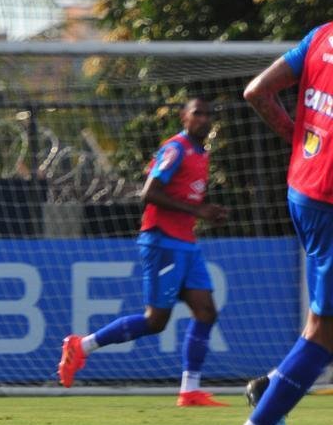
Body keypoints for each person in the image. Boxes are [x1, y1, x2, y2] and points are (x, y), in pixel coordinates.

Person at [57, 98, 231, 406]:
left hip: (186, 243)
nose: (204, 119)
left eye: (208, 115)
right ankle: (80, 346)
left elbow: (185, 197)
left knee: (206, 311)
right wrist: (199, 210)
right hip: (163, 241)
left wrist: (205, 212)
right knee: (155, 321)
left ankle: (190, 389)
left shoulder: (201, 152)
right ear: (184, 117)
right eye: (197, 113)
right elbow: (149, 193)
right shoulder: (176, 149)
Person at [221, 23, 333, 425]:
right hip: (330, 201)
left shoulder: (322, 36)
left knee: (321, 325)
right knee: (325, 333)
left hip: (304, 190)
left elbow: (256, 92)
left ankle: (271, 385)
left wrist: (300, 140)